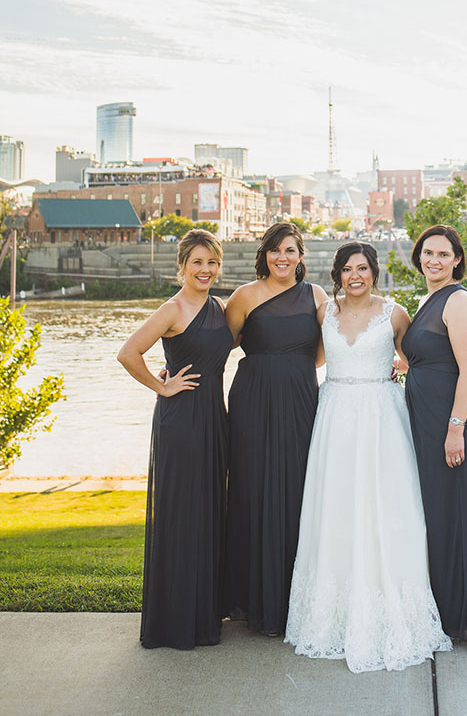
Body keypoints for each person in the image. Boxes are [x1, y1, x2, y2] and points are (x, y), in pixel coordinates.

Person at [285, 242, 450, 672]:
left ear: (374, 272)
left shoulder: (394, 313)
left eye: (362, 268)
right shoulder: (324, 313)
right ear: (337, 274)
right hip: (335, 414)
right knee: (335, 508)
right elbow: (313, 357)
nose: (354, 276)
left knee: (387, 507)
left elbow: (422, 358)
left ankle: (392, 607)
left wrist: (400, 366)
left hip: (381, 418)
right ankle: (333, 615)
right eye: (346, 269)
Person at [117, 229, 232, 650]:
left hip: (214, 420)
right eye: (197, 262)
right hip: (182, 419)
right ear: (181, 266)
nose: (205, 270)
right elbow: (129, 352)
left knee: (208, 511)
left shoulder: (221, 307)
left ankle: (205, 614)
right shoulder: (173, 308)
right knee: (183, 512)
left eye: (212, 262)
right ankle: (176, 621)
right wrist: (161, 386)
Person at [223, 223, 328, 635]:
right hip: (253, 400)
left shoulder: (316, 296)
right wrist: (172, 369)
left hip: (301, 399)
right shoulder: (244, 296)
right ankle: (253, 601)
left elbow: (329, 349)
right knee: (253, 489)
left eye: (290, 250)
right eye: (274, 250)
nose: (281, 257)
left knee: (298, 491)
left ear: (301, 255)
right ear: (264, 254)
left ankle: (294, 601)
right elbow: (218, 346)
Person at [400, 225, 467, 644]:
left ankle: (464, 618)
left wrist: (456, 428)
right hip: (428, 419)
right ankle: (439, 611)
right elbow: (430, 357)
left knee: (456, 515)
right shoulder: (429, 299)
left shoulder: (458, 300)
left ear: (457, 259)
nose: (434, 260)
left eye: (443, 254)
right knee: (436, 516)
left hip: (452, 421)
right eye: (427, 253)